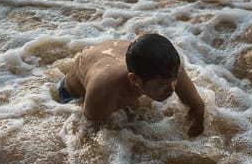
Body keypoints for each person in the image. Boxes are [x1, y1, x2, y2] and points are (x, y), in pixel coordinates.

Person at [58, 33, 205, 137]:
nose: (171, 88)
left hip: (114, 56)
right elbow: (90, 130)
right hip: (72, 91)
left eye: (174, 79)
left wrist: (197, 125)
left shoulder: (168, 69)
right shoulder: (103, 91)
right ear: (135, 80)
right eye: (162, 84)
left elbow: (197, 106)